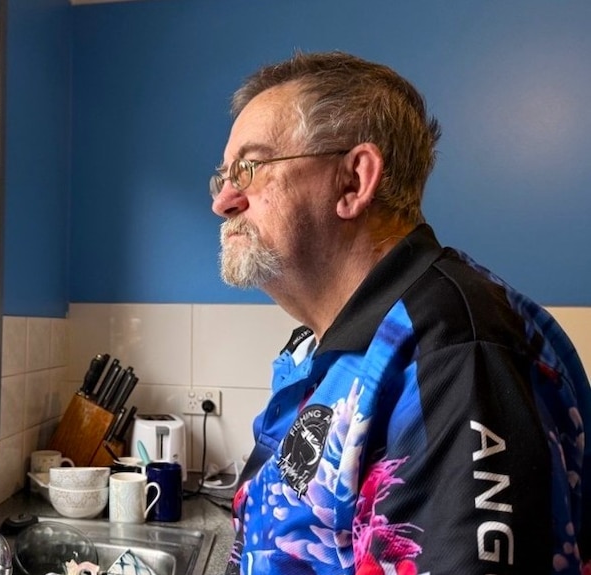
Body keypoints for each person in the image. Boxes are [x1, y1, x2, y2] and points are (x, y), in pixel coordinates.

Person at [210, 50, 591, 575]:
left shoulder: (454, 351)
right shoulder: (319, 348)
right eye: (224, 176)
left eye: (249, 168)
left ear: (353, 182)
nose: (224, 200)